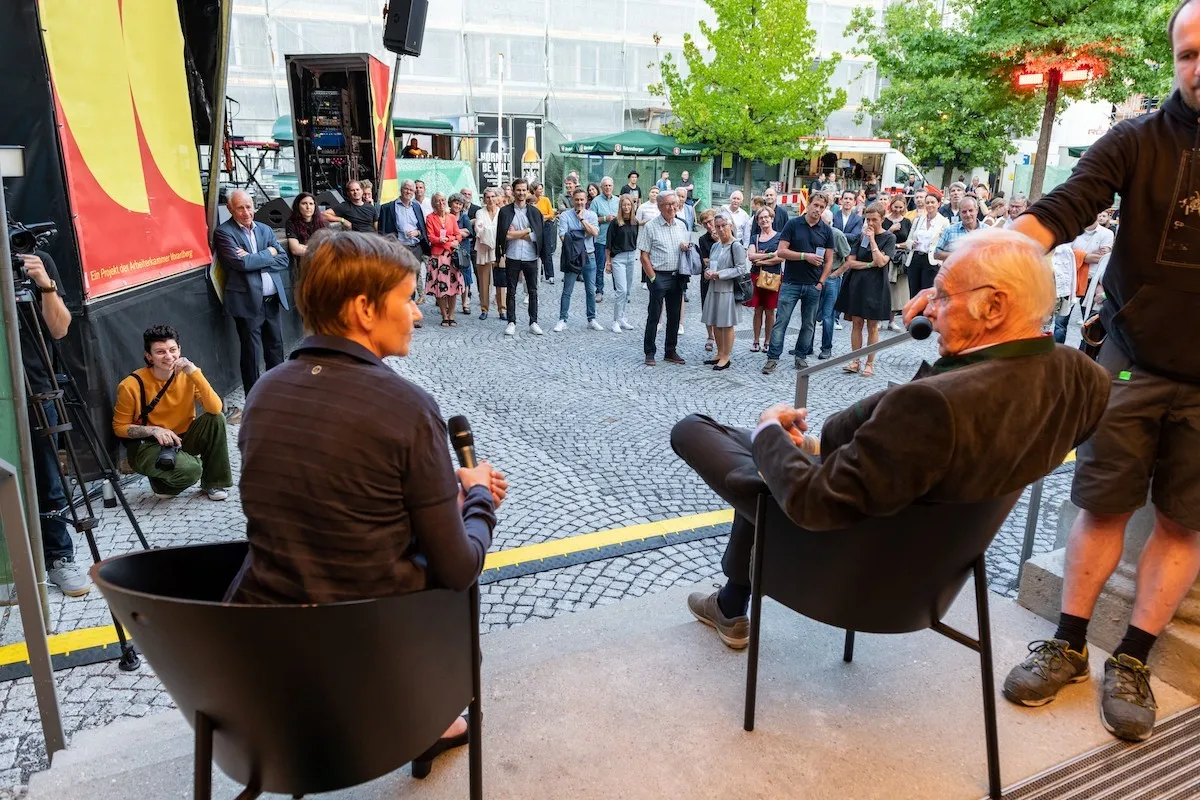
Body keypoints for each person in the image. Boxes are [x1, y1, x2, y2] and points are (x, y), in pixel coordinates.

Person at [676, 227, 1109, 651]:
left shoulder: (934, 405)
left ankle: (732, 600)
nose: (927, 310)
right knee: (772, 453)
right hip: (934, 562)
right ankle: (733, 597)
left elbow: (815, 504)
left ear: (994, 306)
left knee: (697, 431)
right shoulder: (1085, 378)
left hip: (859, 566)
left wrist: (770, 428)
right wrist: (809, 446)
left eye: (940, 295)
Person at [992, 0, 1200, 743]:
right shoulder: (1137, 140)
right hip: (1129, 363)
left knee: (1183, 523)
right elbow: (1062, 210)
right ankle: (1069, 644)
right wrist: (975, 270)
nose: (1198, 67)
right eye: (1188, 53)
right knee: (1101, 504)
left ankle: (1134, 660)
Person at [226, 229, 507, 777]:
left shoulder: (265, 392)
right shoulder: (406, 407)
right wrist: (476, 498)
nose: (418, 314)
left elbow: (323, 492)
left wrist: (428, 484)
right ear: (363, 309)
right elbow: (456, 566)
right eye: (407, 298)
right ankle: (437, 721)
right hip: (373, 662)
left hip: (272, 660)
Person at [14, 247, 88, 596]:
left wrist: (45, 285)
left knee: (47, 475)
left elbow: (59, 329)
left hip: (36, 386)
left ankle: (59, 557)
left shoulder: (35, 259)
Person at [111, 325, 231, 501]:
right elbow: (119, 427)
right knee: (192, 470)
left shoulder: (189, 375)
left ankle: (213, 482)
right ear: (149, 357)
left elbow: (215, 408)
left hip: (182, 438)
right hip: (148, 444)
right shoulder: (130, 385)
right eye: (160, 352)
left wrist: (195, 373)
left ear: (180, 350)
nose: (168, 356)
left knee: (216, 419)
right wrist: (154, 430)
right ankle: (165, 480)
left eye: (173, 350)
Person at [212, 189, 291, 398]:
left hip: (271, 300)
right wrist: (268, 254)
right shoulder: (224, 232)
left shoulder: (264, 229)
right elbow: (242, 263)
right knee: (251, 354)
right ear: (230, 209)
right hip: (247, 303)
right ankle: (255, 397)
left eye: (249, 206)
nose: (246, 212)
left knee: (275, 348)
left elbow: (284, 259)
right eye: (240, 208)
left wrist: (256, 258)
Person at [765, 192, 834, 374]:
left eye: (821, 207)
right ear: (808, 204)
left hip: (813, 284)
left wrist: (821, 282)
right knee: (782, 321)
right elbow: (781, 252)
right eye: (815, 205)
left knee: (808, 323)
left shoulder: (826, 230)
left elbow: (829, 260)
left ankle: (800, 357)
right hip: (791, 283)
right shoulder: (793, 224)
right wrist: (805, 256)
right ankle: (772, 358)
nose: (817, 210)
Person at [835, 203, 896, 378]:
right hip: (857, 284)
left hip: (876, 286)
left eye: (874, 220)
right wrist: (869, 264)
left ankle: (870, 363)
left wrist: (872, 240)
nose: (870, 223)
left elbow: (882, 261)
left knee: (872, 326)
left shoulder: (889, 238)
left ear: (882, 219)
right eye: (867, 219)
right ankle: (855, 360)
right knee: (856, 323)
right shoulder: (860, 237)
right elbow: (850, 262)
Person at [638, 191, 691, 366]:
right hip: (659, 276)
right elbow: (644, 256)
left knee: (674, 316)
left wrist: (685, 247)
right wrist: (652, 278)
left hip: (677, 276)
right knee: (654, 315)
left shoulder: (681, 225)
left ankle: (670, 350)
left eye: (674, 204)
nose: (671, 207)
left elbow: (686, 248)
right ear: (660, 206)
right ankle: (650, 352)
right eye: (667, 204)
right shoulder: (651, 227)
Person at [495, 178, 545, 337]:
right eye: (518, 190)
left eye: (524, 190)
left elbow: (538, 235)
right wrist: (527, 231)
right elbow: (504, 235)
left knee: (533, 290)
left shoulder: (535, 212)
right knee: (511, 290)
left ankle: (533, 322)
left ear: (527, 191)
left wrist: (519, 233)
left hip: (530, 255)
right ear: (513, 191)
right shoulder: (505, 211)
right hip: (512, 255)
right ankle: (511, 322)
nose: (521, 193)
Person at [702, 212, 750, 370]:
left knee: (726, 324)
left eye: (723, 225)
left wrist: (720, 274)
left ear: (730, 226)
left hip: (728, 289)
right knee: (715, 321)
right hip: (714, 287)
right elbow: (711, 265)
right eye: (717, 226)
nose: (721, 229)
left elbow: (741, 269)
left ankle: (726, 356)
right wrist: (708, 272)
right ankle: (719, 352)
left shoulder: (736, 245)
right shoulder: (715, 245)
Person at [555, 188, 602, 331]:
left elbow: (594, 233)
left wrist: (581, 221)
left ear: (586, 200)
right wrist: (584, 233)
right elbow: (563, 237)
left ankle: (591, 319)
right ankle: (562, 319)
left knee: (590, 289)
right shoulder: (565, 216)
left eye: (582, 199)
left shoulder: (592, 215)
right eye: (577, 200)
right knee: (567, 290)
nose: (579, 202)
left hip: (589, 255)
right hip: (572, 257)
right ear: (572, 200)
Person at [378, 179, 432, 303]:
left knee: (413, 280)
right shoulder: (387, 208)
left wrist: (417, 232)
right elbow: (381, 231)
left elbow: (422, 228)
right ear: (401, 190)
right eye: (406, 188)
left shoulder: (416, 207)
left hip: (415, 248)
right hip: (399, 248)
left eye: (411, 190)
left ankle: (410, 311)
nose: (408, 191)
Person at [745, 207, 783, 354]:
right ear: (757, 221)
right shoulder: (754, 237)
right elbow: (751, 256)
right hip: (756, 277)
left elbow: (780, 257)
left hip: (773, 277)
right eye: (761, 218)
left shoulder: (780, 237)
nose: (764, 220)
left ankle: (768, 340)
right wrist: (769, 256)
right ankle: (755, 340)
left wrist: (762, 260)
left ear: (772, 218)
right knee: (757, 310)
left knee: (770, 311)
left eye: (767, 217)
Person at [424, 193, 464, 327]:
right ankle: (444, 315)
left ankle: (452, 315)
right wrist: (441, 240)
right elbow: (430, 237)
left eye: (442, 200)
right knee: (440, 288)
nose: (441, 203)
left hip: (451, 257)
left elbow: (458, 235)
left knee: (452, 287)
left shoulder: (451, 217)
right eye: (437, 201)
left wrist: (451, 240)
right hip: (437, 257)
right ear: (433, 203)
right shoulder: (430, 218)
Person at [606, 194, 640, 333]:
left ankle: (622, 318)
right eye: (624, 205)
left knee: (628, 291)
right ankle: (615, 321)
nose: (626, 207)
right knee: (621, 290)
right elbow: (608, 244)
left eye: (629, 205)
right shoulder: (615, 222)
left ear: (632, 206)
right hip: (618, 258)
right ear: (620, 206)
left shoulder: (635, 222)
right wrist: (608, 262)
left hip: (631, 257)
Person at [908, 192, 950, 296]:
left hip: (931, 261)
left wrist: (940, 262)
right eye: (927, 203)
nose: (930, 205)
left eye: (932, 202)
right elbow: (908, 240)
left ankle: (925, 313)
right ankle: (914, 312)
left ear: (938, 204)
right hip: (915, 258)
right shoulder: (918, 220)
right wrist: (912, 244)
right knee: (914, 292)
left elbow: (947, 244)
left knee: (928, 294)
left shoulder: (944, 221)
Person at [883, 195, 913, 332]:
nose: (898, 210)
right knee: (882, 288)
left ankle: (891, 320)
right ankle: (878, 319)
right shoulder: (884, 220)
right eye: (896, 207)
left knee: (896, 292)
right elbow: (880, 237)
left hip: (899, 260)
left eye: (901, 207)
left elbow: (909, 242)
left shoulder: (907, 222)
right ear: (891, 205)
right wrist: (890, 231)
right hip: (884, 258)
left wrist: (896, 245)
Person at [474, 188, 503, 320]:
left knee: (501, 281)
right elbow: (479, 230)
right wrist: (494, 233)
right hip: (483, 249)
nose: (490, 200)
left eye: (493, 197)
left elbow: (504, 229)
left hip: (499, 250)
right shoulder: (480, 212)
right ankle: (484, 308)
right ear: (484, 199)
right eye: (488, 197)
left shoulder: (502, 212)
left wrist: (488, 230)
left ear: (497, 198)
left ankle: (502, 309)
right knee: (484, 281)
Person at [591, 178, 620, 304]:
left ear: (613, 187)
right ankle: (599, 291)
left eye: (610, 185)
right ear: (601, 187)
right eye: (605, 186)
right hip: (601, 238)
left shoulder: (618, 201)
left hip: (616, 239)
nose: (608, 188)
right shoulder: (596, 201)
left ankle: (619, 291)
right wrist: (605, 218)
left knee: (617, 265)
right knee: (600, 266)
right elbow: (591, 219)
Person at [284, 192, 328, 269]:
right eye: (304, 203)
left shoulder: (322, 222)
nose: (308, 207)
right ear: (297, 206)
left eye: (311, 204)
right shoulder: (291, 223)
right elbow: (295, 249)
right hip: (306, 266)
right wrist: (320, 252)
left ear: (315, 206)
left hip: (324, 263)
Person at [933, 195, 983, 264]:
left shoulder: (987, 231)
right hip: (954, 273)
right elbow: (936, 254)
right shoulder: (950, 230)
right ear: (959, 213)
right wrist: (957, 255)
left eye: (971, 210)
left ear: (977, 210)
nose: (968, 214)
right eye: (964, 212)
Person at [696, 209, 719, 350]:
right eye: (705, 224)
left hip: (723, 277)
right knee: (707, 306)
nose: (709, 226)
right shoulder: (702, 239)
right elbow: (704, 261)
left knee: (721, 307)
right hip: (707, 277)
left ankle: (720, 336)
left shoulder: (727, 234)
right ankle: (710, 336)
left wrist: (718, 241)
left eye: (710, 222)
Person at [451, 194, 474, 315]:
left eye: (460, 204)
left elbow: (469, 232)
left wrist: (454, 232)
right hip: (449, 249)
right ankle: (451, 304)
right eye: (456, 203)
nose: (458, 206)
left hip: (463, 250)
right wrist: (460, 231)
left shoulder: (464, 217)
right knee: (450, 277)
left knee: (465, 276)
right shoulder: (447, 216)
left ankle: (465, 303)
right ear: (451, 203)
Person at [532, 181, 557, 284]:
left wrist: (541, 217)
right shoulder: (531, 200)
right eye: (539, 189)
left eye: (542, 189)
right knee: (536, 249)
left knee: (547, 249)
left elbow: (551, 214)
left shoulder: (545, 200)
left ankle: (550, 274)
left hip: (546, 226)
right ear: (533, 190)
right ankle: (539, 273)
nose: (541, 191)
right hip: (534, 227)